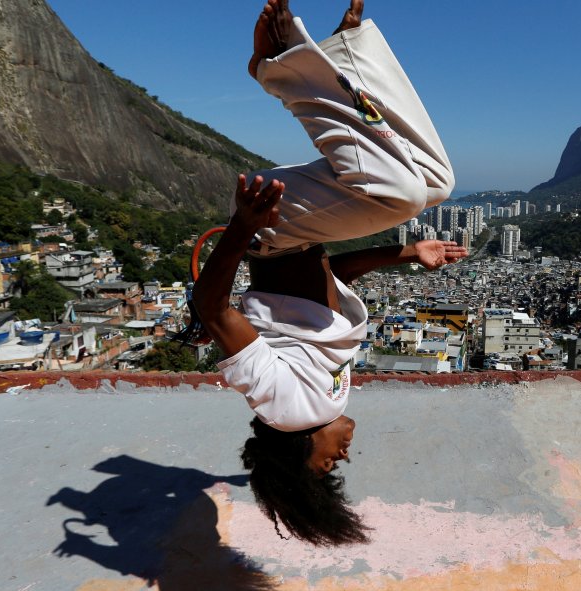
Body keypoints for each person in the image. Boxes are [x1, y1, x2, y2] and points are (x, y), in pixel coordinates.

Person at [191, 0, 465, 546]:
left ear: (296, 456)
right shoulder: (325, 401)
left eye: (326, 467)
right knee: (435, 183)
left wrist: (245, 226)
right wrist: (405, 254)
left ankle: (280, 68)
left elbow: (211, 309)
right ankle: (348, 58)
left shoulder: (285, 408)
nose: (342, 455)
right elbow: (329, 280)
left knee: (401, 194)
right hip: (300, 242)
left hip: (270, 234)